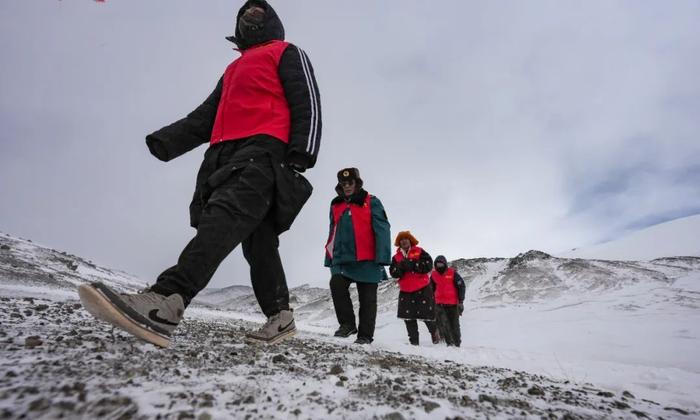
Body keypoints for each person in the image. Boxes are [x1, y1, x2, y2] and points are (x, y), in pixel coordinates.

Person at [78, 0, 322, 347]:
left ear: (273, 23)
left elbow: (306, 98)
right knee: (258, 242)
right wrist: (168, 140)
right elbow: (206, 115)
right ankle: (280, 316)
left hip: (264, 150)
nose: (251, 16)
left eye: (259, 13)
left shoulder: (285, 52)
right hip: (224, 155)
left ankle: (168, 299)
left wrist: (303, 151)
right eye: (244, 15)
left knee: (223, 219)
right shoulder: (233, 69)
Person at [325, 168, 391, 345]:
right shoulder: (335, 205)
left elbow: (383, 228)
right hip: (342, 258)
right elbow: (333, 231)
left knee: (367, 299)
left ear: (357, 183)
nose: (346, 186)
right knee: (336, 283)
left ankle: (365, 336)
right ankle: (347, 324)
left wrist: (383, 256)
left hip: (367, 259)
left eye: (350, 183)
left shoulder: (372, 202)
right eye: (343, 183)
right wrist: (329, 257)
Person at [389, 231, 440, 345]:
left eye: (406, 238)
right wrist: (400, 268)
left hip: (422, 288)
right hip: (405, 291)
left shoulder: (419, 251)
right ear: (399, 243)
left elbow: (428, 264)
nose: (404, 241)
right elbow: (393, 272)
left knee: (426, 314)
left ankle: (434, 332)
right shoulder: (396, 257)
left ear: (410, 240)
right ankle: (414, 343)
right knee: (408, 317)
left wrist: (414, 264)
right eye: (401, 239)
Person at [430, 255, 465, 347]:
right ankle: (449, 343)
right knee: (444, 325)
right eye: (437, 264)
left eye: (441, 264)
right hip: (439, 305)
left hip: (453, 304)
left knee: (455, 325)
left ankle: (457, 344)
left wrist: (461, 301)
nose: (439, 266)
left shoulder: (452, 273)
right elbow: (431, 289)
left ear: (445, 264)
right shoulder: (433, 275)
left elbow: (461, 286)